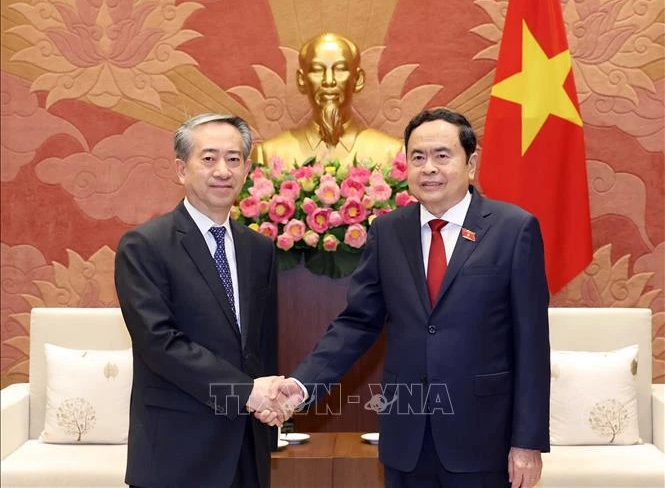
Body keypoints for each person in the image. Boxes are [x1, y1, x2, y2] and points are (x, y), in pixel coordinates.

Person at [272, 108, 551, 487]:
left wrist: (526, 443)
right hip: (407, 439)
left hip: (483, 437)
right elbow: (358, 322)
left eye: (442, 155)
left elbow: (532, 345)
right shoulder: (389, 231)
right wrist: (303, 384)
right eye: (418, 157)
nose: (429, 168)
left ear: (471, 163)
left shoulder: (513, 229)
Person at [115, 113, 282, 488]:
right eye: (208, 159)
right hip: (177, 449)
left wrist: (270, 415)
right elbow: (158, 342)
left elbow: (261, 344)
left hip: (246, 447)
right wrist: (247, 393)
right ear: (181, 169)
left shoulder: (259, 249)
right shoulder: (145, 246)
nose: (222, 170)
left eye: (234, 159)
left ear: (246, 169)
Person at [251, 32, 403, 169]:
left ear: (358, 79)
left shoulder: (393, 154)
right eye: (317, 70)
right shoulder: (269, 155)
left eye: (340, 69)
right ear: (301, 80)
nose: (328, 81)